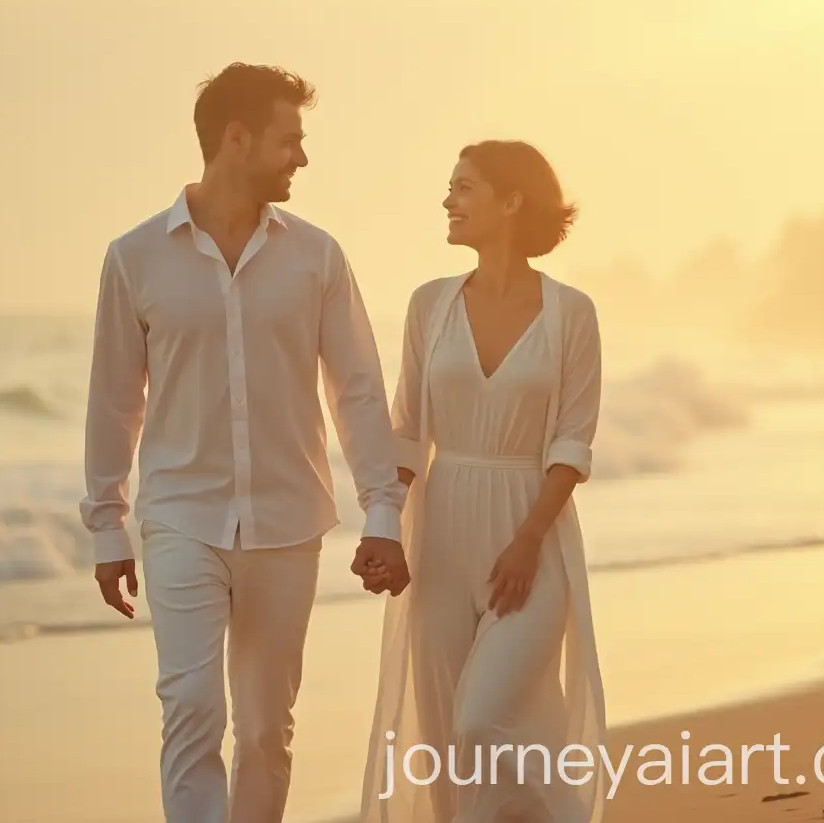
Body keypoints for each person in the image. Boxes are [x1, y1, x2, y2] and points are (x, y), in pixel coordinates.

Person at [79, 62, 410, 823]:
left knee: (265, 730)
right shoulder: (134, 258)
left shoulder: (318, 257)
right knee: (191, 709)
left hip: (287, 523)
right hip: (180, 520)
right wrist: (106, 522)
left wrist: (381, 511)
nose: (301, 157)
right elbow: (113, 400)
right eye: (288, 139)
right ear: (237, 139)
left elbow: (356, 390)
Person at [358, 140, 608, 822]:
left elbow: (572, 443)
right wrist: (385, 525)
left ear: (512, 200)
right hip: (440, 535)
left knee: (483, 718)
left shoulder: (570, 313)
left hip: (531, 534)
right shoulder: (429, 306)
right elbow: (408, 431)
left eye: (464, 187)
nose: (448, 200)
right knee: (449, 746)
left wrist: (529, 538)